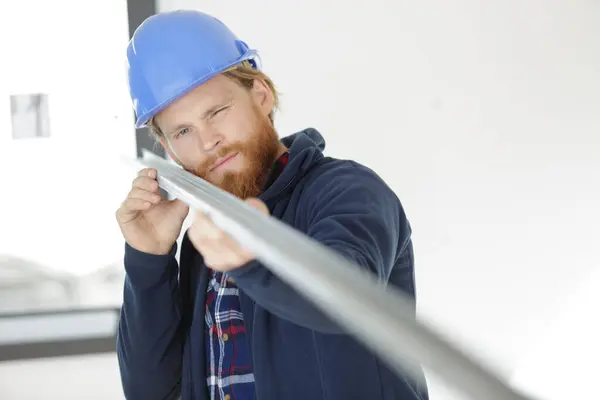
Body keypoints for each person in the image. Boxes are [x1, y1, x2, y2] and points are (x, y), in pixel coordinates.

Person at [116, 9, 428, 400]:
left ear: (260, 95)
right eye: (183, 131)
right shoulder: (208, 238)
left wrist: (248, 261)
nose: (208, 140)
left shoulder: (347, 190)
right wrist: (148, 262)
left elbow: (346, 300)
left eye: (216, 111)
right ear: (168, 149)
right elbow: (152, 393)